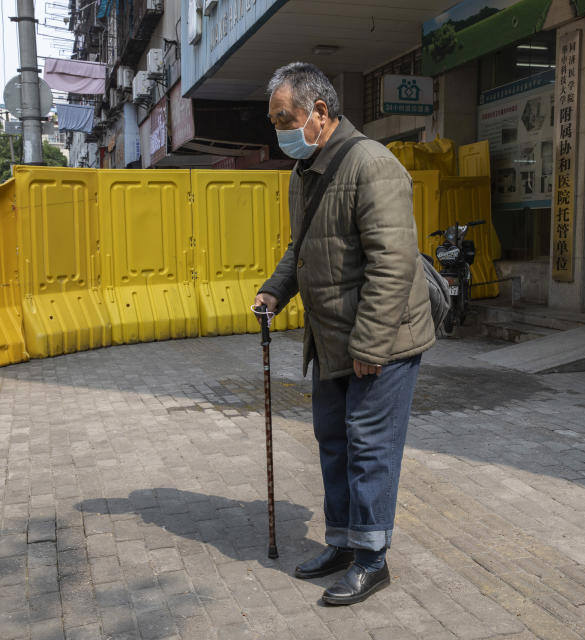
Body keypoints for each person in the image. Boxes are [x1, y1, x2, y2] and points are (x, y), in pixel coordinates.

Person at [253, 62, 435, 605]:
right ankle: (342, 543)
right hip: (330, 338)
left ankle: (373, 558)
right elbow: (303, 246)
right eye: (276, 121)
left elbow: (393, 263)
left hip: (382, 342)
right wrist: (274, 290)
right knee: (333, 443)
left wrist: (371, 346)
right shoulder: (305, 170)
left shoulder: (373, 166)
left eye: (286, 118)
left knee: (369, 449)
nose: (281, 131)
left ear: (321, 113)